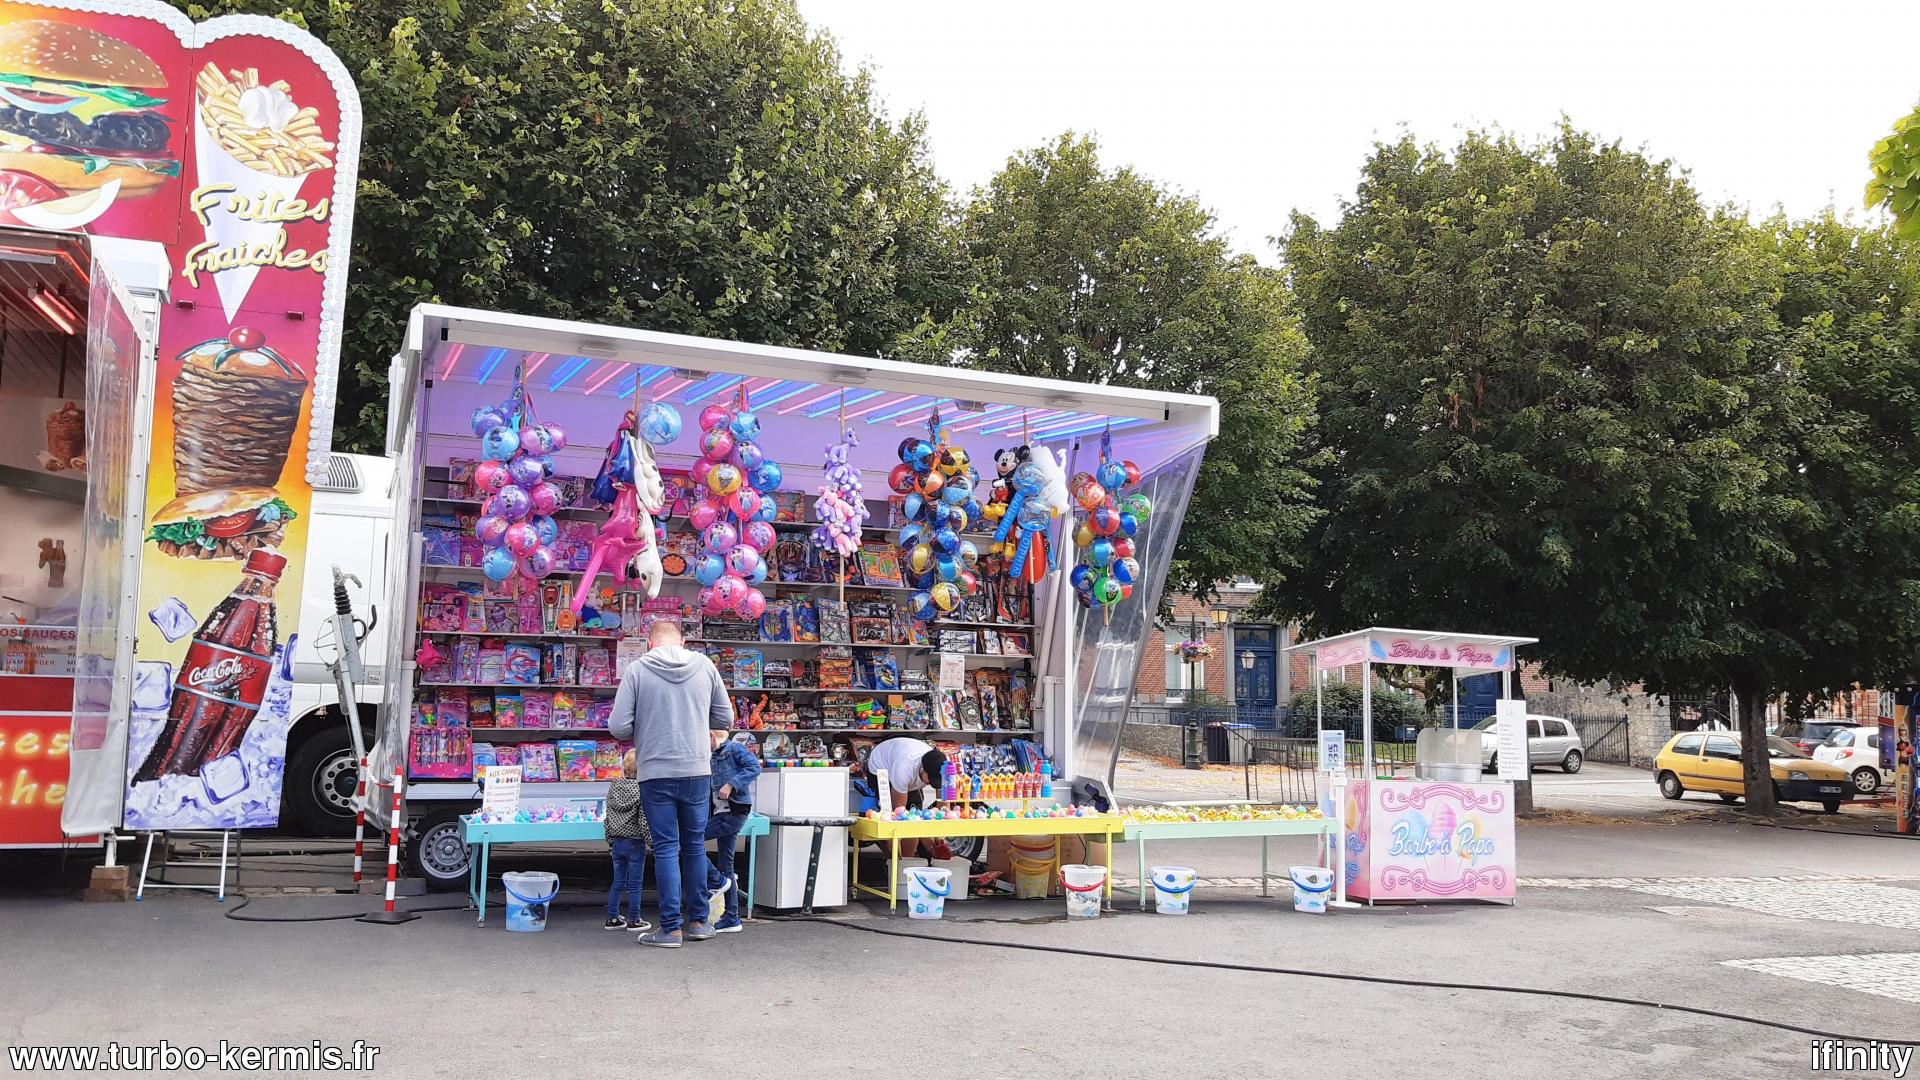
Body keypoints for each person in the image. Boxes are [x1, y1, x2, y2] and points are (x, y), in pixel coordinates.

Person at [611, 619, 734, 947]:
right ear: (682, 642)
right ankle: (699, 922)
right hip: (696, 769)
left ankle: (670, 929)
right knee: (694, 846)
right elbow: (725, 719)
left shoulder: (638, 670)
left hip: (655, 772)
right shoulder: (705, 666)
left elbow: (618, 727)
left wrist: (647, 723)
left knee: (666, 848)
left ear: (650, 643)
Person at [703, 729, 762, 933]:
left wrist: (731, 785)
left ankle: (717, 881)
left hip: (733, 812)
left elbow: (754, 766)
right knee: (726, 865)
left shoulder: (734, 749)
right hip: (722, 813)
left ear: (711, 735)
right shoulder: (712, 755)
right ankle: (732, 918)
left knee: (690, 841)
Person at [864, 736, 950, 860]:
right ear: (923, 769)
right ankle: (896, 863)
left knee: (915, 814)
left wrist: (939, 838)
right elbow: (899, 813)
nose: (931, 784)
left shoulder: (944, 771)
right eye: (930, 780)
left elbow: (944, 809)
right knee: (893, 819)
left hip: (906, 765)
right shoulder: (904, 769)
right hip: (881, 765)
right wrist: (928, 839)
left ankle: (907, 861)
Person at [602, 749, 652, 932]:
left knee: (617, 882)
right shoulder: (642, 790)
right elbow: (644, 820)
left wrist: (609, 839)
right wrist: (652, 842)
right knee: (635, 884)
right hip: (635, 842)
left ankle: (612, 918)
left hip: (617, 841)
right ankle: (634, 919)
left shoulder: (614, 787)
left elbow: (608, 817)